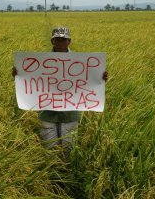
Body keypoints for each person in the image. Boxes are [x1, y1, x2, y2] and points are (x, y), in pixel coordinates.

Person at [12, 26, 108, 160]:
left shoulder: (80, 61)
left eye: (63, 40)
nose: (60, 43)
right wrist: (19, 74)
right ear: (52, 42)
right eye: (57, 40)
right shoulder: (41, 62)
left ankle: (68, 174)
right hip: (47, 114)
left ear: (69, 41)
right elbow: (30, 78)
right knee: (50, 149)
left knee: (69, 149)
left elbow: (89, 80)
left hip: (70, 113)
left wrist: (100, 76)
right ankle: (53, 177)